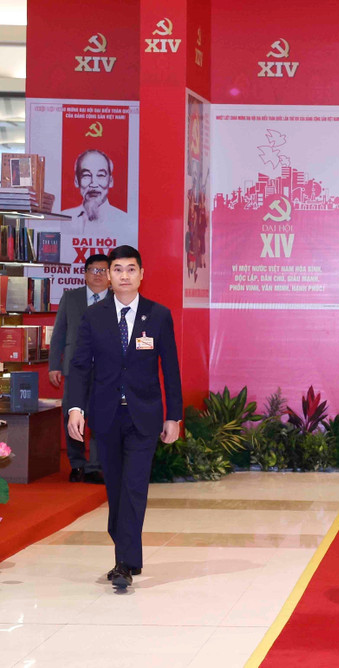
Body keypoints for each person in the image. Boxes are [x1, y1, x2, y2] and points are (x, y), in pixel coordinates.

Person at [67, 245, 183, 590]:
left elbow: (171, 370)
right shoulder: (94, 316)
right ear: (108, 276)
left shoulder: (158, 315)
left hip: (144, 417)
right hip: (105, 416)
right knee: (116, 489)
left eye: (131, 269)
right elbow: (79, 367)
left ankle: (122, 564)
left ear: (141, 274)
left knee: (134, 487)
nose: (124, 276)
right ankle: (129, 555)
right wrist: (76, 408)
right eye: (117, 270)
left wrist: (174, 416)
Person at [49, 253, 111, 484]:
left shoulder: (118, 299)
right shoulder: (71, 298)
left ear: (111, 275)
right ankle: (77, 464)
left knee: (100, 417)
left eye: (103, 270)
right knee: (72, 415)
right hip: (75, 368)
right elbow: (59, 334)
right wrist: (54, 365)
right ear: (85, 274)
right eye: (93, 270)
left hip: (107, 370)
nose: (98, 275)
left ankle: (94, 466)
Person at [61, 149, 130, 228]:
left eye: (100, 175)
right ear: (76, 181)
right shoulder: (63, 219)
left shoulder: (124, 221)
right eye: (86, 175)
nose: (93, 184)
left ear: (110, 181)